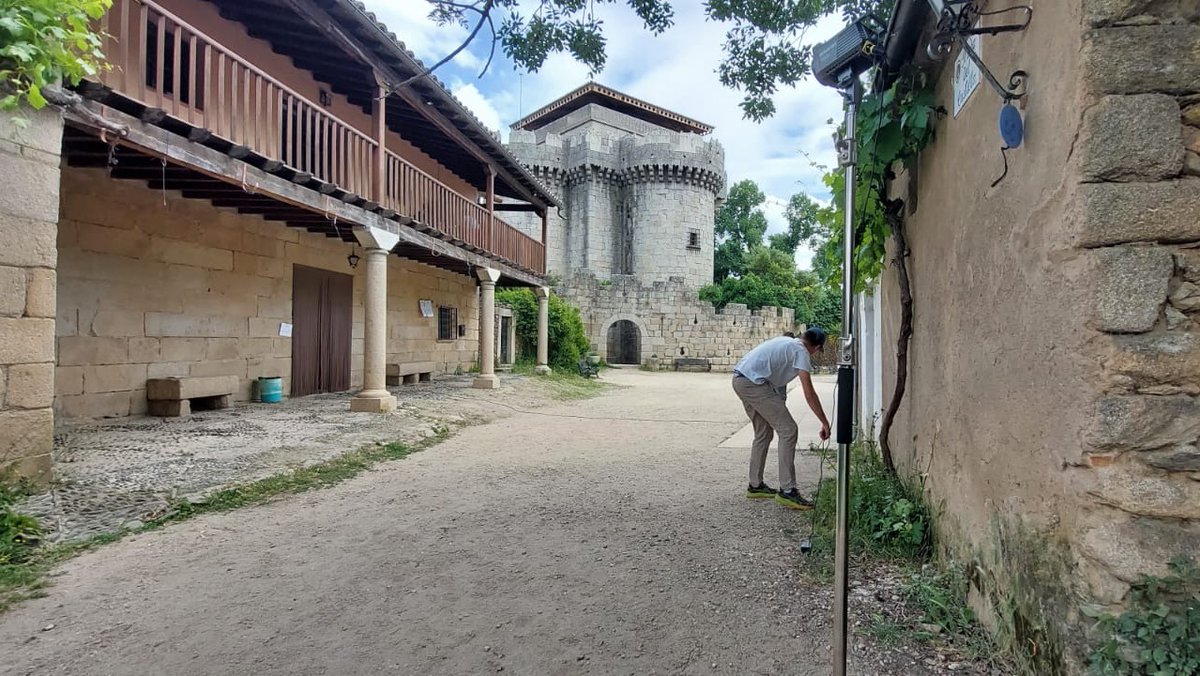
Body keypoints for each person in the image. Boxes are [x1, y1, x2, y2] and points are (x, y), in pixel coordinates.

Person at [731, 328, 830, 510]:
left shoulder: (786, 343)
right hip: (753, 383)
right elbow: (810, 394)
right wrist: (824, 421)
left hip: (740, 379)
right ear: (816, 348)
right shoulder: (801, 352)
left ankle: (755, 486)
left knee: (763, 433)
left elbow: (778, 384)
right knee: (789, 430)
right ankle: (788, 490)